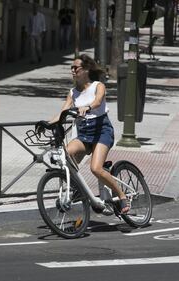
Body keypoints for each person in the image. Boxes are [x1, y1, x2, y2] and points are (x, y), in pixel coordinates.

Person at [49, 54, 130, 214]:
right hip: (84, 133)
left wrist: (88, 107)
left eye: (75, 68)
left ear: (85, 70)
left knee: (96, 169)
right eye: (71, 68)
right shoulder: (72, 92)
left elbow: (98, 101)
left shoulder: (98, 86)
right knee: (66, 155)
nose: (72, 70)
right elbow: (63, 111)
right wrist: (46, 123)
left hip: (102, 131)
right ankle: (79, 189)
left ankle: (122, 196)